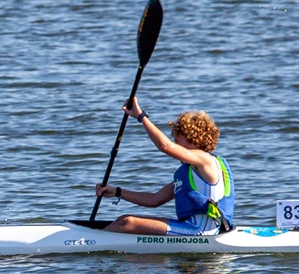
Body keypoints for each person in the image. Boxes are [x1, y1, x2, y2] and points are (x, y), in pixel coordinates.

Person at [93, 98, 234, 235]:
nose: (175, 144)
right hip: (192, 227)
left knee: (127, 222)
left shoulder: (205, 160)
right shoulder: (192, 174)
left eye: (178, 141)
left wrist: (141, 116)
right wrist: (117, 192)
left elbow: (165, 146)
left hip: (201, 231)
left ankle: (89, 242)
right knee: (124, 221)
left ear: (194, 139)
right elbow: (154, 200)